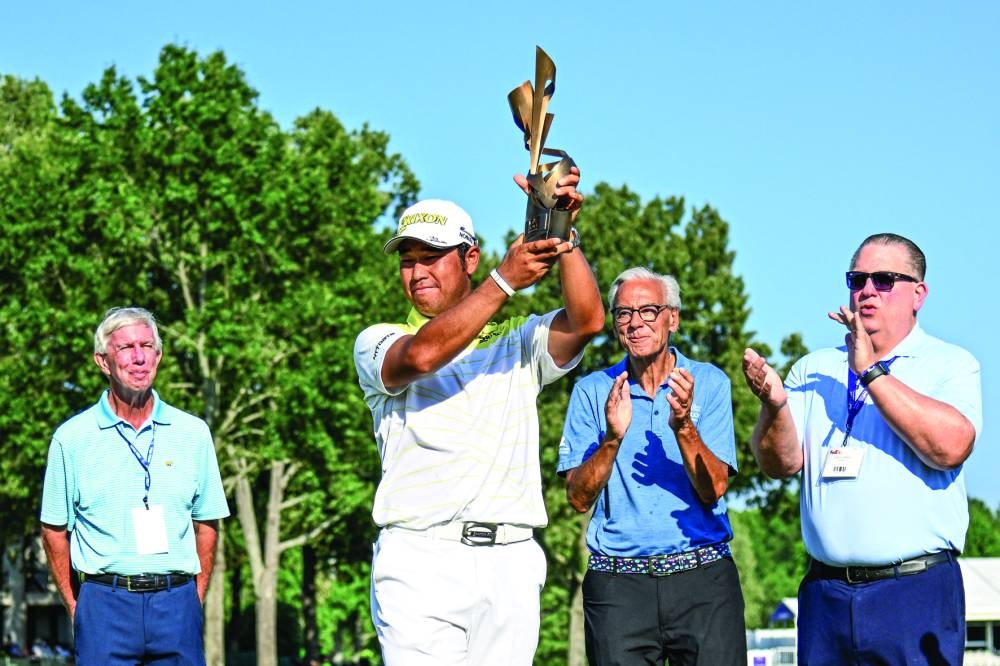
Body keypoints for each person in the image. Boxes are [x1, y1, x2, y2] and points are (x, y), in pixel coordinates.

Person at [353, 169, 605, 666]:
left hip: (510, 559)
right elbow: (422, 356)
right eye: (408, 261)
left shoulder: (517, 340)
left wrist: (561, 232)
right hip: (418, 559)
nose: (417, 271)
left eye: (432, 257)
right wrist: (504, 280)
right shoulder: (378, 340)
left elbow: (588, 320)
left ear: (470, 258)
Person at [743, 233, 982, 665]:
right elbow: (779, 463)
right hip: (825, 596)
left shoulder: (950, 364)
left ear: (918, 294)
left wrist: (870, 370)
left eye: (885, 279)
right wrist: (774, 406)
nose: (867, 290)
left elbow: (950, 448)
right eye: (858, 279)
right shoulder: (813, 368)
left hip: (914, 591)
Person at [557, 267, 747, 665]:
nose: (636, 322)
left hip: (702, 577)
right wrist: (612, 438)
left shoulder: (707, 383)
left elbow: (713, 489)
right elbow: (577, 498)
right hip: (617, 585)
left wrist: (684, 427)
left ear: (672, 318)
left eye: (648, 310)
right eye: (624, 313)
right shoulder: (593, 391)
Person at [40, 306, 229, 665]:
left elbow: (207, 523)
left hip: (177, 605)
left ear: (159, 356)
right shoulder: (72, 439)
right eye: (126, 348)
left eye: (147, 346)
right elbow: (53, 530)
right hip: (104, 605)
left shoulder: (193, 433)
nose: (139, 357)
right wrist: (77, 605)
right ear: (102, 361)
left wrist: (194, 597)